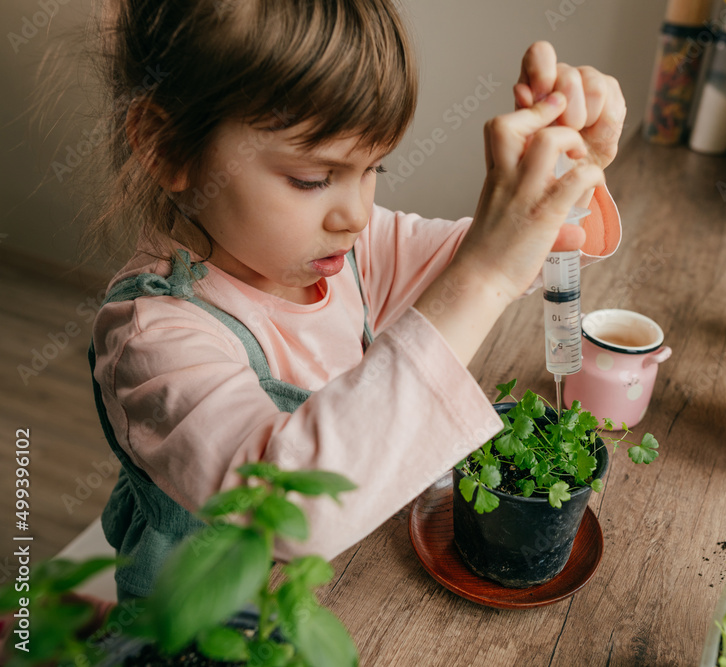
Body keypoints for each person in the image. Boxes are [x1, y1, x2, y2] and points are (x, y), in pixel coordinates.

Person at [88, 0, 625, 601]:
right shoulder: (154, 338)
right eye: (313, 179)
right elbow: (288, 506)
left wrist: (568, 180)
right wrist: (484, 276)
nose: (357, 213)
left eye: (375, 169)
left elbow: (512, 255)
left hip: (339, 592)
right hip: (206, 631)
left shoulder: (355, 251)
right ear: (166, 147)